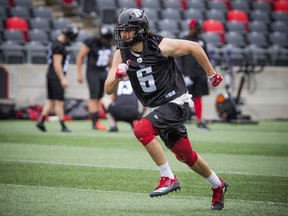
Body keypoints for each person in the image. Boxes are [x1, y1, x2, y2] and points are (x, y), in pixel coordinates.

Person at [104, 8, 228, 210]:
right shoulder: (120, 54)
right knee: (186, 156)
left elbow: (195, 47)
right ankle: (218, 185)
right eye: (122, 30)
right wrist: (117, 76)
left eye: (129, 30)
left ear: (141, 29)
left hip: (176, 102)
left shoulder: (159, 45)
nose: (124, 35)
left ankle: (168, 177)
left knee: (141, 129)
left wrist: (211, 74)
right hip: (158, 108)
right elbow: (108, 89)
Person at [36, 25, 79, 133]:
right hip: (55, 76)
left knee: (51, 100)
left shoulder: (57, 43)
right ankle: (63, 126)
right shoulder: (58, 46)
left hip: (51, 74)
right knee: (59, 101)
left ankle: (40, 121)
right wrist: (62, 78)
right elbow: (57, 64)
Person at [76, 25, 113, 130]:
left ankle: (97, 120)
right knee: (93, 97)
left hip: (103, 72)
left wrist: (113, 73)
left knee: (99, 97)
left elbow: (110, 60)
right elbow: (80, 56)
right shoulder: (91, 42)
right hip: (93, 73)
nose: (105, 40)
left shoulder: (108, 44)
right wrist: (79, 73)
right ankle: (94, 121)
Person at [177, 19, 211, 130]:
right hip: (188, 75)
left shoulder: (202, 41)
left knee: (198, 98)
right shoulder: (184, 40)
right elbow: (179, 58)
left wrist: (208, 72)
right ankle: (179, 121)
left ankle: (199, 121)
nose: (198, 31)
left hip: (200, 75)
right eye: (197, 29)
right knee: (182, 98)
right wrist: (182, 73)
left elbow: (206, 58)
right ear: (192, 28)